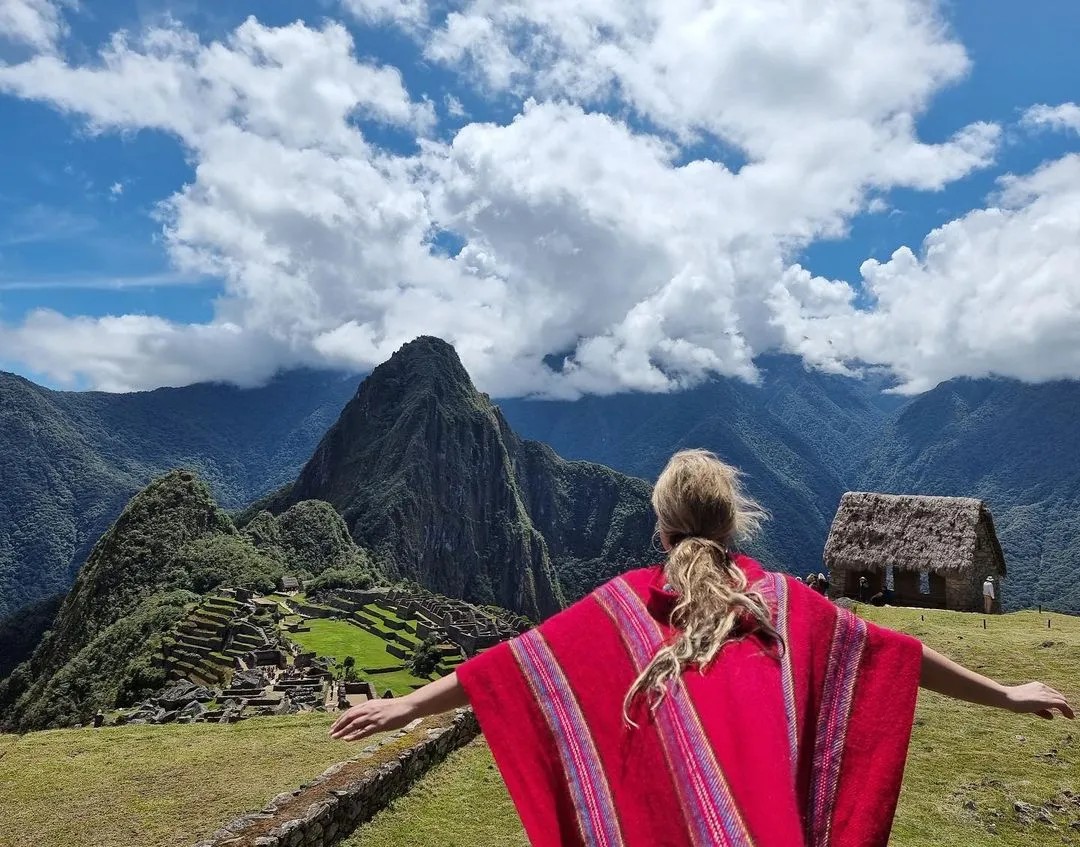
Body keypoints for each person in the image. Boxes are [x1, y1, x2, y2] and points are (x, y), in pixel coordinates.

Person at [331, 449, 1073, 847]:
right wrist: (1005, 692)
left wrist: (407, 706)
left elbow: (517, 667)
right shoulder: (784, 607)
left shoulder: (622, 614)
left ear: (659, 530)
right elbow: (897, 658)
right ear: (732, 527)